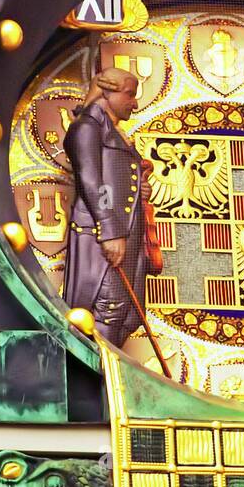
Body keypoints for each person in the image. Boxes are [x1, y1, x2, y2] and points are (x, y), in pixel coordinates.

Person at [62, 69, 151, 347]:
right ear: (107, 91)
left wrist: (139, 191)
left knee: (131, 313)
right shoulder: (87, 127)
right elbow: (91, 180)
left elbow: (115, 178)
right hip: (105, 235)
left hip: (129, 236)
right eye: (129, 95)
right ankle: (99, 378)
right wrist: (110, 230)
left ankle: (109, 367)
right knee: (109, 308)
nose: (134, 103)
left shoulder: (113, 131)